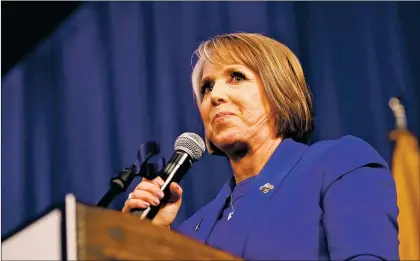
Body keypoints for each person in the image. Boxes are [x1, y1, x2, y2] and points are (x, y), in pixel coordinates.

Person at [122, 33, 399, 260]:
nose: (215, 95)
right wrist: (152, 239)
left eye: (237, 77)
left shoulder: (338, 163)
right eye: (207, 87)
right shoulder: (192, 229)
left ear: (279, 90)